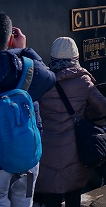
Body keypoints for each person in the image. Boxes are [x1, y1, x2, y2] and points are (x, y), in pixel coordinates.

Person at [36, 37, 106, 207]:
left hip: (48, 153)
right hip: (74, 152)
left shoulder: (43, 82)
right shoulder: (83, 81)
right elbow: (105, 107)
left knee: (51, 199)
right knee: (73, 198)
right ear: (75, 58)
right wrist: (85, 114)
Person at [0, 14, 56, 207]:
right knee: (25, 201)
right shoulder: (26, 66)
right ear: (9, 39)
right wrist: (23, 49)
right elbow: (50, 78)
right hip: (26, 153)